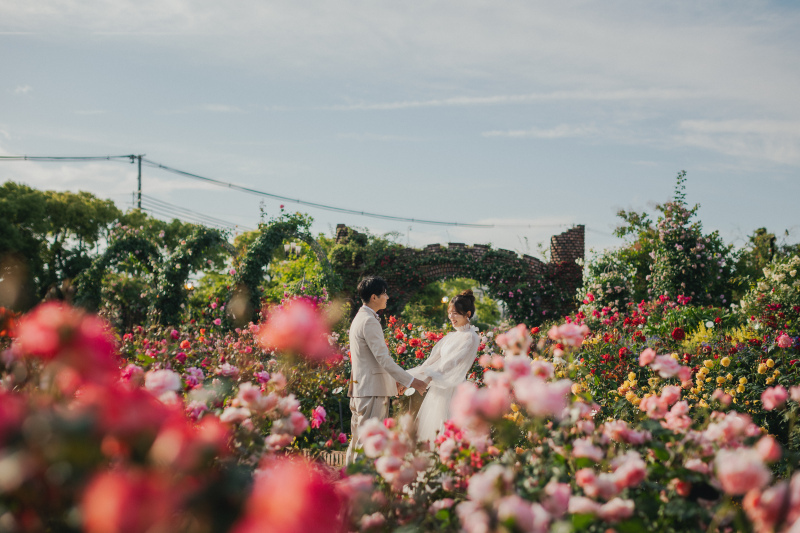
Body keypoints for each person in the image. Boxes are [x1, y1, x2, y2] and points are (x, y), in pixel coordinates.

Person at [345, 276, 428, 465]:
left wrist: (396, 381)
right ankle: (362, 488)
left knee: (358, 441)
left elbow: (371, 361)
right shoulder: (369, 321)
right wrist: (412, 381)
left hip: (362, 389)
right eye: (384, 293)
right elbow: (383, 359)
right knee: (369, 443)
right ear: (374, 297)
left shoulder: (360, 318)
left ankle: (349, 482)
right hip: (372, 391)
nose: (387, 297)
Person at [406, 290, 480, 445]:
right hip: (438, 390)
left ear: (467, 313)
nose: (451, 317)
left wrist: (426, 379)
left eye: (455, 313)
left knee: (450, 431)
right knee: (433, 432)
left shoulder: (471, 337)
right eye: (450, 313)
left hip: (455, 390)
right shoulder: (450, 337)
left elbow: (450, 363)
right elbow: (430, 362)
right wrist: (408, 379)